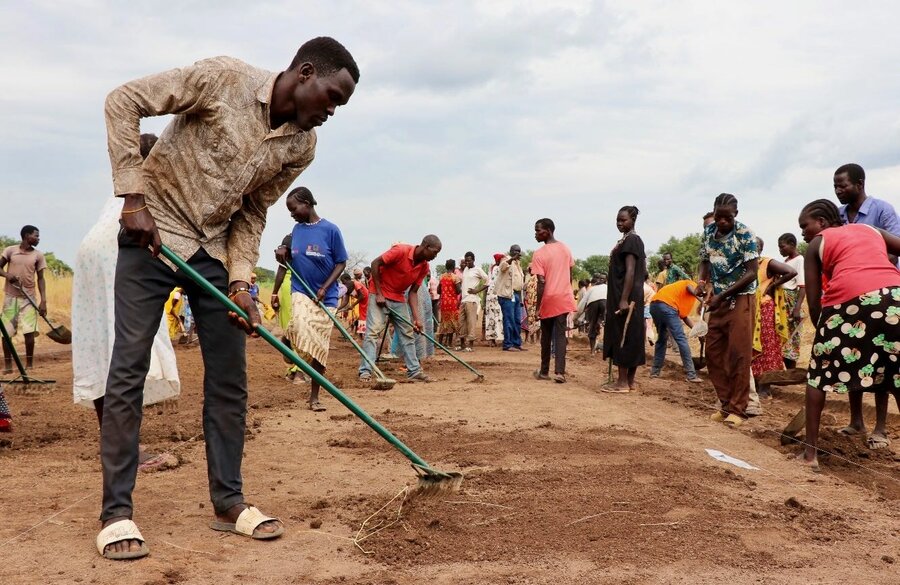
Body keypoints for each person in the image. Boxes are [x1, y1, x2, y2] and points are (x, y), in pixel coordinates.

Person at [97, 37, 359, 559]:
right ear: (305, 73)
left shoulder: (301, 146)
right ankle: (116, 514)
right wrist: (132, 198)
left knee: (230, 380)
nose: (331, 112)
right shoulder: (223, 80)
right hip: (155, 235)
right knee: (128, 368)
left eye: (340, 107)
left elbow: (253, 213)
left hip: (214, 252)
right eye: (331, 97)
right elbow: (123, 100)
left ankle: (228, 503)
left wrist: (241, 281)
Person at [72, 133, 181, 444]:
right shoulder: (153, 182)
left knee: (103, 347)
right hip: (117, 251)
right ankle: (126, 448)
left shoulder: (126, 182)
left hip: (91, 250)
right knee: (129, 350)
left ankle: (113, 443)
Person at [797, 199, 900, 470]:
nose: (803, 233)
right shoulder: (871, 231)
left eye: (804, 226)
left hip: (848, 299)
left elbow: (815, 301)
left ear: (820, 222)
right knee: (897, 375)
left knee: (818, 376)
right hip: (895, 297)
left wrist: (822, 339)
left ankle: (810, 455)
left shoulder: (817, 242)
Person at [833, 163, 900, 439]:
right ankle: (857, 421)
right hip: (848, 296)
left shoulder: (881, 210)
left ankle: (881, 428)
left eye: (843, 185)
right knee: (853, 357)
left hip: (880, 295)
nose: (838, 190)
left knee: (881, 358)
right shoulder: (838, 216)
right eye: (835, 186)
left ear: (859, 184)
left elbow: (894, 251)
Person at [277, 187, 347, 412]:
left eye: (293, 208)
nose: (292, 214)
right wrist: (281, 254)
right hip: (301, 290)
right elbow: (288, 259)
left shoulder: (331, 230)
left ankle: (314, 397)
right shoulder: (296, 229)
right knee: (300, 323)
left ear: (307, 204)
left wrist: (326, 288)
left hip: (326, 297)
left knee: (319, 348)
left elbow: (341, 263)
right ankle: (290, 337)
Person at [698, 193, 759, 427]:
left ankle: (738, 409)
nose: (722, 222)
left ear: (736, 214)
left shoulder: (745, 234)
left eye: (728, 218)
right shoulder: (708, 232)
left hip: (741, 298)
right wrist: (701, 283)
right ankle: (725, 404)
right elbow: (705, 260)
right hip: (717, 300)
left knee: (738, 354)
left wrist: (721, 295)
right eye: (719, 217)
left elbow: (752, 272)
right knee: (713, 353)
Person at [358, 236, 442, 382]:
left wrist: (417, 319)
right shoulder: (401, 251)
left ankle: (414, 371)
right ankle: (365, 371)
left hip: (398, 297)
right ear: (426, 246)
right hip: (379, 294)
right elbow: (375, 263)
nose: (435, 256)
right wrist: (379, 293)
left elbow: (413, 293)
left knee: (407, 333)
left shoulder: (424, 267)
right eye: (435, 252)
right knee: (372, 333)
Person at [602, 206, 647, 392]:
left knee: (624, 334)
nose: (620, 223)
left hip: (626, 297)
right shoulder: (627, 240)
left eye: (623, 220)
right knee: (631, 334)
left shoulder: (632, 240)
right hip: (626, 295)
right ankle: (629, 382)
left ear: (633, 219)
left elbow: (631, 270)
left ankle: (622, 383)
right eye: (618, 220)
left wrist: (624, 299)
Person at [750, 238, 797, 397]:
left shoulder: (766, 263)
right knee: (751, 346)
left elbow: (791, 272)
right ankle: (755, 383)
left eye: (755, 245)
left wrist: (771, 286)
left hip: (764, 308)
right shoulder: (745, 265)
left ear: (760, 248)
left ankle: (765, 386)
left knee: (767, 345)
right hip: (749, 309)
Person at [531, 218, 576, 383]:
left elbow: (541, 282)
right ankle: (560, 372)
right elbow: (569, 276)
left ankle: (544, 371)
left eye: (538, 230)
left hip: (549, 298)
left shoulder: (539, 253)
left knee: (546, 336)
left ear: (548, 231)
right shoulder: (565, 248)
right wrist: (567, 292)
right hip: (563, 298)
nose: (535, 234)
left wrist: (538, 307)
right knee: (560, 335)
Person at [0, 225, 47, 373]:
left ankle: (29, 365)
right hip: (10, 297)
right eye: (36, 236)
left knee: (29, 332)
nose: (38, 239)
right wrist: (8, 275)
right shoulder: (10, 251)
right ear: (27, 236)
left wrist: (43, 300)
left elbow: (41, 279)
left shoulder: (38, 256)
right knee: (6, 332)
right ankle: (8, 366)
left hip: (29, 299)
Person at [648, 279, 702, 383]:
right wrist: (701, 300)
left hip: (655, 306)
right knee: (681, 339)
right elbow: (689, 288)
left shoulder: (682, 295)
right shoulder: (691, 284)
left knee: (662, 339)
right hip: (667, 306)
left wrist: (698, 331)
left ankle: (655, 372)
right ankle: (691, 375)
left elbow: (685, 317)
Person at [777, 233, 805, 368]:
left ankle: (791, 368)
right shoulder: (786, 262)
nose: (780, 250)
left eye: (782, 247)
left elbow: (802, 286)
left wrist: (797, 308)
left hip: (791, 302)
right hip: (782, 301)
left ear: (792, 245)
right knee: (783, 334)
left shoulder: (800, 260)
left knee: (792, 335)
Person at [496, 244, 526, 351]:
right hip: (507, 295)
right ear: (511, 251)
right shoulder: (506, 260)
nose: (518, 253)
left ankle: (517, 343)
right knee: (509, 320)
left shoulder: (518, 264)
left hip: (516, 295)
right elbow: (502, 267)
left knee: (517, 320)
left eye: (519, 251)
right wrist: (511, 259)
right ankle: (508, 344)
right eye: (515, 251)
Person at [459, 252, 488, 352]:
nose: (467, 262)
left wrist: (477, 290)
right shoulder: (466, 269)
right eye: (466, 260)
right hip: (463, 299)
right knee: (461, 322)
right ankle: (462, 344)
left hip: (472, 299)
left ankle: (470, 345)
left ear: (473, 260)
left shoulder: (478, 270)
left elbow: (488, 281)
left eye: (469, 260)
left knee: (471, 322)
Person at [575, 274, 607, 354]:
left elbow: (582, 305)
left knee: (592, 326)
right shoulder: (608, 287)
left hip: (593, 304)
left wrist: (575, 318)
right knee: (606, 323)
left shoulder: (591, 289)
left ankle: (592, 351)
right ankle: (600, 322)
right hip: (605, 303)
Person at [437, 259, 461, 348]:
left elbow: (438, 290)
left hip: (444, 302)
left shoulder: (441, 277)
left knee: (443, 322)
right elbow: (458, 291)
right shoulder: (455, 278)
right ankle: (449, 343)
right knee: (452, 322)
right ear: (454, 267)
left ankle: (439, 343)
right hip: (452, 303)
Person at [484, 254, 505, 347]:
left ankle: (492, 339)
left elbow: (488, 283)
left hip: (491, 295)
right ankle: (498, 338)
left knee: (491, 317)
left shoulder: (492, 268)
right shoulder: (498, 268)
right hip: (496, 294)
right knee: (499, 316)